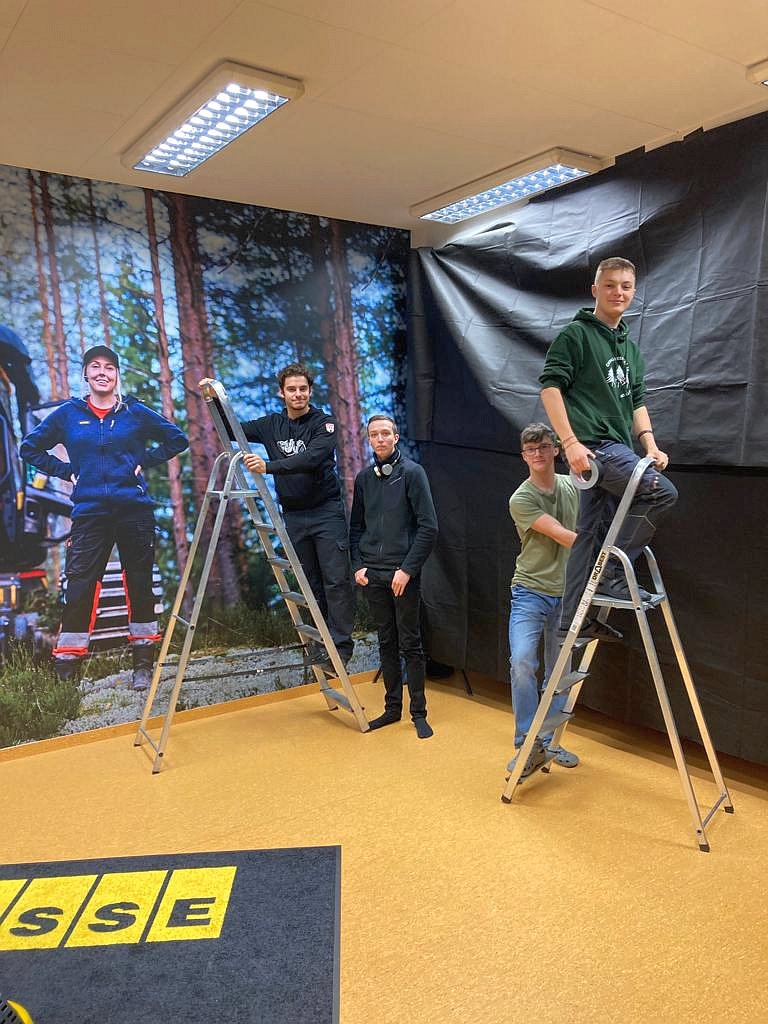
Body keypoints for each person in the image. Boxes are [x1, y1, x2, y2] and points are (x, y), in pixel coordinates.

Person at [20, 345, 188, 689]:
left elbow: (177, 439)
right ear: (85, 374)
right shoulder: (69, 414)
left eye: (109, 367)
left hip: (134, 511)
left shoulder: (134, 411)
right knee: (80, 587)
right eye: (95, 366)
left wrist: (144, 461)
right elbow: (29, 448)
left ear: (116, 375)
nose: (102, 372)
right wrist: (66, 471)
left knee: (139, 584)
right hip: (90, 512)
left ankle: (143, 663)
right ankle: (67, 666)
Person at [539, 257, 678, 639]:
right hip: (595, 447)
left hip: (617, 444)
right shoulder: (576, 335)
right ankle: (612, 575)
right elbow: (550, 389)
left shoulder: (629, 348)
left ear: (633, 292)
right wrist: (570, 443)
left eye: (626, 286)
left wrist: (650, 444)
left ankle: (573, 620)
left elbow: (636, 401)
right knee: (660, 493)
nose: (619, 292)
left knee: (589, 533)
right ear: (595, 290)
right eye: (611, 285)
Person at [221, 363, 355, 667]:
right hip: (294, 516)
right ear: (282, 393)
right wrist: (213, 397)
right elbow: (230, 428)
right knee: (310, 584)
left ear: (310, 391)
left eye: (303, 389)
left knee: (335, 581)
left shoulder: (324, 423)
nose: (298, 394)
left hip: (326, 513)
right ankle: (321, 644)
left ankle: (341, 648)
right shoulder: (271, 424)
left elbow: (311, 458)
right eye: (291, 389)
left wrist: (269, 466)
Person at [349, 415, 438, 738]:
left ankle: (418, 713)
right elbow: (355, 527)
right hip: (373, 574)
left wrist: (408, 570)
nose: (380, 439)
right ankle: (391, 709)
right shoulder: (364, 478)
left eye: (386, 433)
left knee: (410, 643)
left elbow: (429, 527)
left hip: (403, 575)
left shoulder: (413, 473)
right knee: (386, 641)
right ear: (369, 440)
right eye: (374, 435)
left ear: (396, 437)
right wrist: (358, 566)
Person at [507, 423, 580, 777]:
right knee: (522, 662)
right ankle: (527, 744)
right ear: (524, 456)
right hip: (530, 592)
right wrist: (603, 546)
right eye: (530, 450)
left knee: (560, 674)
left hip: (567, 595)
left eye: (543, 447)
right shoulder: (520, 499)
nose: (537, 454)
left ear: (555, 450)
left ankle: (550, 743)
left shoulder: (572, 486)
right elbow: (564, 536)